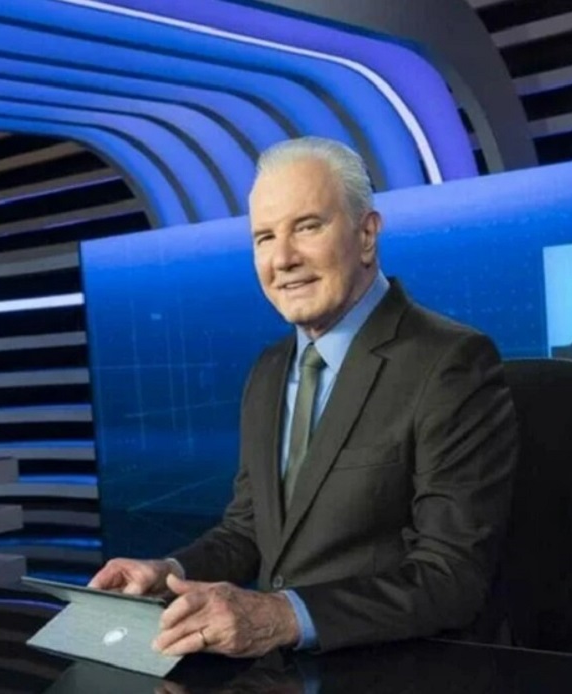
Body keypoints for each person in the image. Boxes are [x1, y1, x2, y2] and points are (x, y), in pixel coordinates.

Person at [89, 137, 519, 656]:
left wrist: (283, 615)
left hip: (394, 670)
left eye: (308, 226)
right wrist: (171, 574)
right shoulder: (269, 370)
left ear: (366, 235)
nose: (283, 259)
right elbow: (249, 530)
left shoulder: (451, 363)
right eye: (264, 238)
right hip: (280, 674)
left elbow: (451, 577)